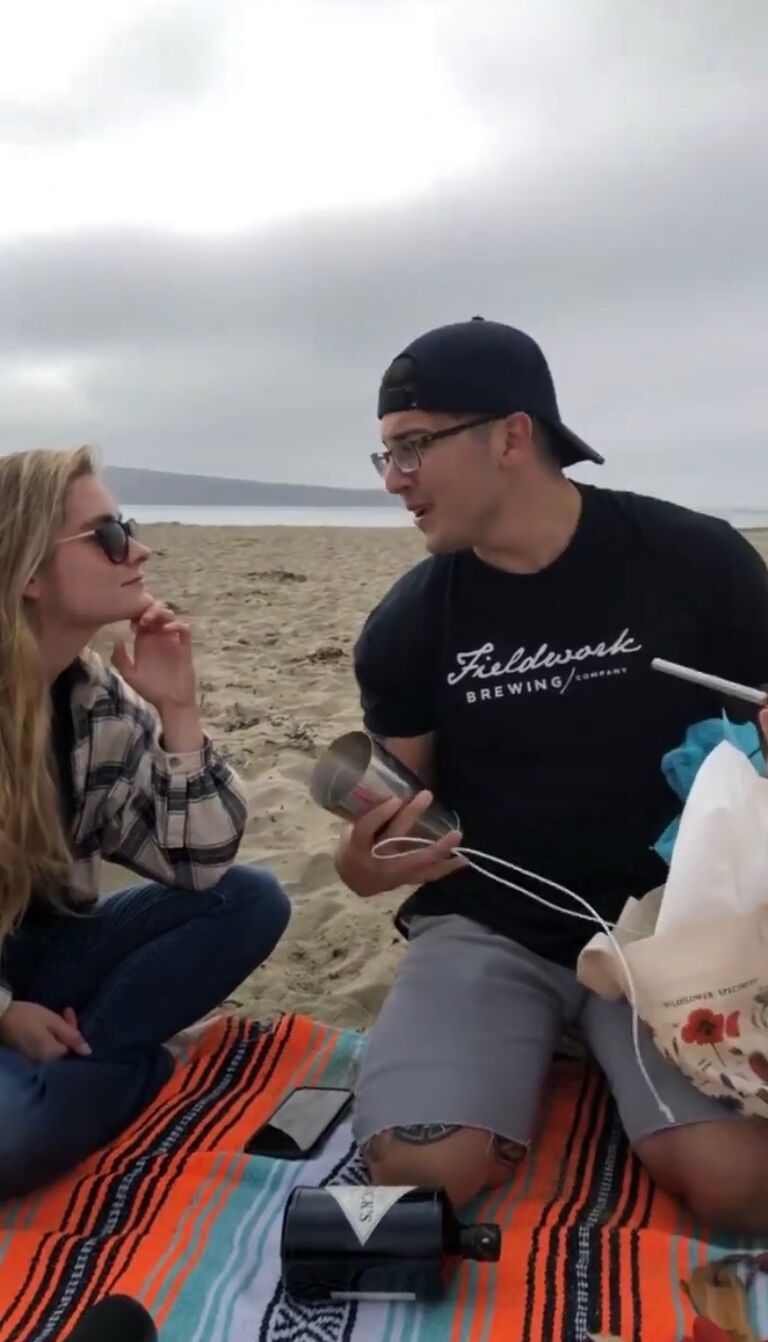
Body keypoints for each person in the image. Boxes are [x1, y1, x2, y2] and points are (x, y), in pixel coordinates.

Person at [335, 316, 768, 1232]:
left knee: (737, 1187)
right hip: (493, 926)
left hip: (666, 927)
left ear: (513, 436)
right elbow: (387, 838)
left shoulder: (695, 562)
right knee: (421, 1180)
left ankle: (603, 1054)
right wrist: (368, 865)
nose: (394, 481)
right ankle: (532, 1050)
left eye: (413, 447)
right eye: (383, 457)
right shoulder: (413, 621)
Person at [0, 447, 290, 1198]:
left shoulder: (91, 701)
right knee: (12, 1137)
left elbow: (198, 867)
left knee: (253, 900)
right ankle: (127, 1073)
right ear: (30, 573)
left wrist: (178, 712)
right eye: (106, 535)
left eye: (124, 525)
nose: (140, 549)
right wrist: (6, 1014)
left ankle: (73, 1073)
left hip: (44, 952)